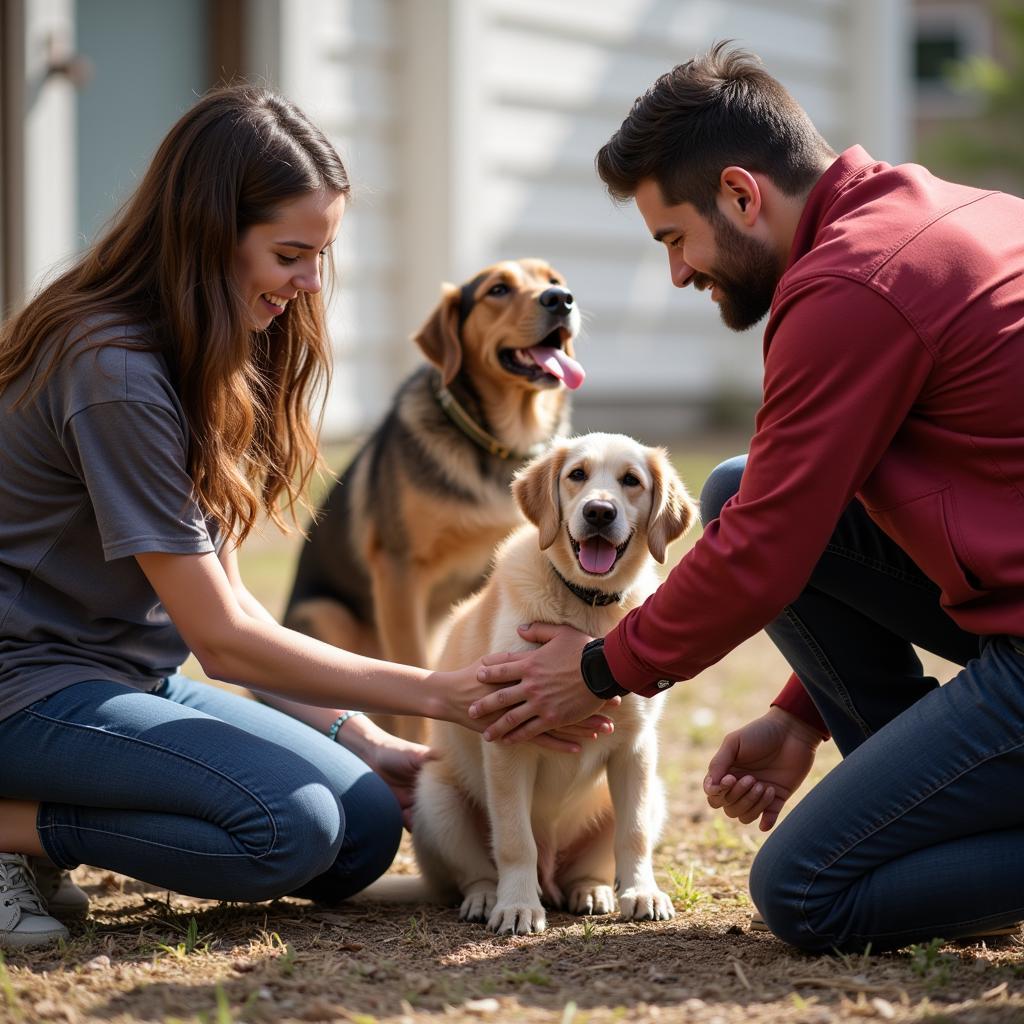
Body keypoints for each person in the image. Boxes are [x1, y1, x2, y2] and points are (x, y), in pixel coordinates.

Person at [0, 85, 614, 951]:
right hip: (22, 687)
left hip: (116, 678)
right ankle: (14, 833)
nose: (309, 283)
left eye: (319, 254)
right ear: (209, 236)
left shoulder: (200, 353)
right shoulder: (113, 368)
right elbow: (224, 644)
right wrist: (443, 697)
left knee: (362, 825)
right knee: (286, 831)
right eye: (291, 254)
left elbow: (239, 609)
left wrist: (362, 738)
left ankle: (49, 811)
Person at [467, 42, 1024, 954]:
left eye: (673, 239)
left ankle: (957, 854)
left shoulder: (850, 286)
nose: (679, 273)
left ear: (740, 194)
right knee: (734, 486)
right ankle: (950, 846)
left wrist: (600, 669)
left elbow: (766, 549)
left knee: (805, 889)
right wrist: (801, 713)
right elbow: (791, 518)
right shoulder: (950, 216)